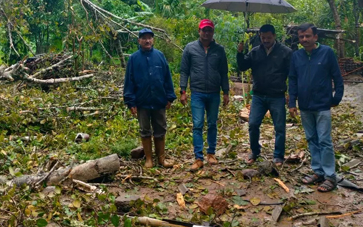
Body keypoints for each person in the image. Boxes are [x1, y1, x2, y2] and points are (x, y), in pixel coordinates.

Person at [288, 23, 344, 192]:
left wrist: (336, 98)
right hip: (305, 106)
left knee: (324, 140)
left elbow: (337, 77)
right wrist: (292, 103)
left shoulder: (327, 53)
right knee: (312, 139)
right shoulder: (297, 56)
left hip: (322, 105)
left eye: (307, 36)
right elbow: (292, 80)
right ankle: (317, 172)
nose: (304, 39)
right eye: (301, 37)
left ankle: (330, 176)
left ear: (315, 37)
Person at [237, 24, 292, 166]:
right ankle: (255, 151)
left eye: (268, 37)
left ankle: (278, 155)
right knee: (253, 124)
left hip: (277, 95)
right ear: (260, 37)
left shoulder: (285, 52)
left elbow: (292, 74)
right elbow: (243, 66)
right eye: (263, 37)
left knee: (279, 127)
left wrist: (291, 94)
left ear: (274, 36)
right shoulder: (255, 52)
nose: (266, 40)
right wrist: (240, 53)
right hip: (259, 95)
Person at [180, 19, 230, 171]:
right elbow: (184, 71)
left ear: (213, 32)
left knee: (213, 124)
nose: (207, 33)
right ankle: (198, 158)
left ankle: (211, 153)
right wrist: (183, 91)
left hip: (214, 93)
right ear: (199, 31)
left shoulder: (219, 50)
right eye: (204, 30)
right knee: (197, 125)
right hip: (197, 93)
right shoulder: (190, 48)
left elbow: (223, 73)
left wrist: (226, 92)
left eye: (209, 30)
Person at [124, 28, 176, 168]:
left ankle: (161, 159)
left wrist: (170, 97)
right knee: (145, 130)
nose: (147, 40)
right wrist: (130, 102)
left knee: (160, 129)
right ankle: (148, 159)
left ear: (153, 40)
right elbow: (129, 81)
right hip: (142, 101)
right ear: (139, 40)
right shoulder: (134, 59)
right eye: (144, 38)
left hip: (159, 100)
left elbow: (167, 78)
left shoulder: (159, 56)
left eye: (150, 38)